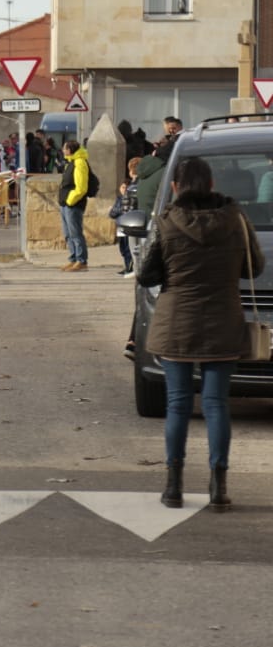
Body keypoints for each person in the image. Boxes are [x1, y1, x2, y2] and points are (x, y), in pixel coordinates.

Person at [137, 155, 263, 511]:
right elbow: (255, 266)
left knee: (178, 403)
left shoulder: (167, 223)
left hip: (177, 321)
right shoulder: (235, 220)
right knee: (216, 403)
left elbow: (147, 276)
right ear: (211, 186)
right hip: (223, 320)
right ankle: (218, 486)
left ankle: (173, 486)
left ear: (175, 187)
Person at [59, 138, 92, 272]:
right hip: (65, 203)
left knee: (75, 233)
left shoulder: (79, 163)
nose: (62, 150)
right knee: (68, 233)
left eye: (64, 148)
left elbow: (81, 187)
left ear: (69, 150)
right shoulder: (70, 162)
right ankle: (73, 258)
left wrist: (70, 200)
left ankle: (81, 260)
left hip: (73, 204)